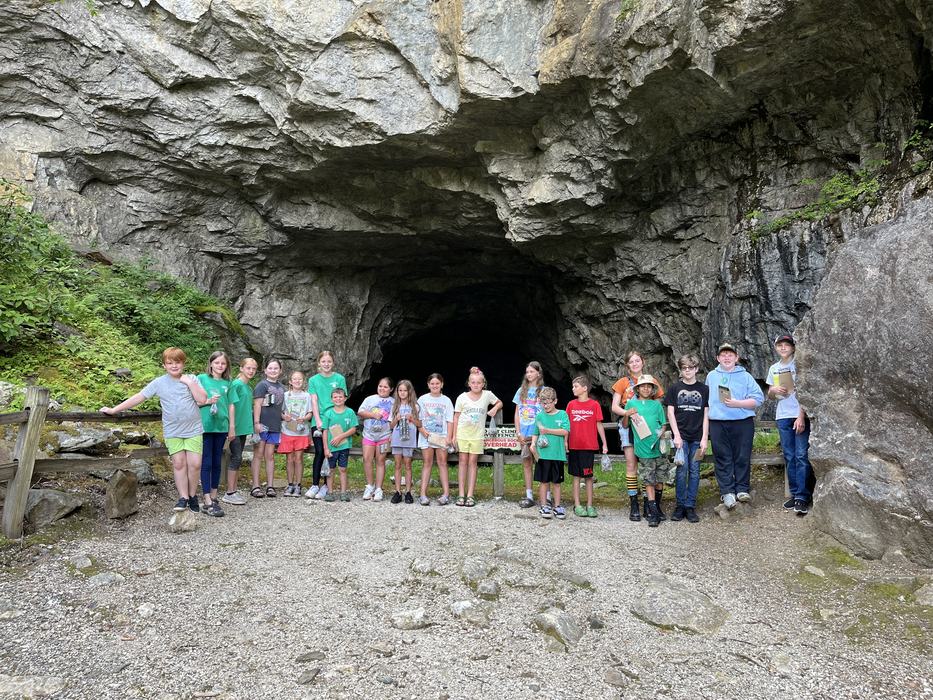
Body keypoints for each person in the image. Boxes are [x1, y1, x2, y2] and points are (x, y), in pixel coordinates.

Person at [101, 347, 207, 513]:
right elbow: (139, 397)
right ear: (164, 365)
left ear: (183, 363)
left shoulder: (191, 379)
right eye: (169, 363)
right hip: (173, 430)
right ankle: (183, 497)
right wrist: (115, 410)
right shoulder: (159, 383)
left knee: (195, 464)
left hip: (193, 429)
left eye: (177, 362)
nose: (174, 366)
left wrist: (189, 383)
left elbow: (202, 398)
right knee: (179, 464)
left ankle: (193, 495)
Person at [706, 343, 764, 509]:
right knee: (722, 456)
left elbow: (758, 399)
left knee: (742, 455)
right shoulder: (711, 376)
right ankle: (727, 491)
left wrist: (738, 403)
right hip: (717, 422)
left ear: (736, 358)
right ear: (718, 358)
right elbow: (707, 401)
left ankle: (742, 489)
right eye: (723, 355)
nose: (726, 357)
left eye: (730, 354)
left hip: (742, 422)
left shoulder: (745, 376)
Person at [610, 350, 665, 521]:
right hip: (628, 425)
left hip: (647, 428)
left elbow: (657, 405)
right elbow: (614, 406)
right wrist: (628, 413)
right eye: (631, 362)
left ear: (643, 362)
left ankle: (650, 504)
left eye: (637, 361)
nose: (635, 364)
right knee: (631, 464)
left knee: (649, 462)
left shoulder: (651, 381)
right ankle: (634, 503)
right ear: (627, 366)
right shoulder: (622, 383)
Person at [767, 334, 814, 516]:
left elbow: (806, 392)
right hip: (782, 415)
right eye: (780, 344)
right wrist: (773, 390)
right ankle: (795, 494)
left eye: (787, 344)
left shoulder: (799, 365)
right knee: (789, 456)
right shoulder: (774, 368)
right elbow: (770, 396)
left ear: (793, 348)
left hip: (798, 415)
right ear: (776, 347)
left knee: (801, 455)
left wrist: (801, 416)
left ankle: (803, 496)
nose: (784, 347)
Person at [664, 354, 709, 523]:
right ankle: (680, 506)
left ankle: (690, 506)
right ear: (681, 370)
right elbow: (670, 412)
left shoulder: (704, 389)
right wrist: (676, 435)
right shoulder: (675, 388)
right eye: (684, 368)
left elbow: (706, 414)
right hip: (680, 438)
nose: (687, 371)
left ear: (696, 369)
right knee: (681, 472)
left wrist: (705, 438)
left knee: (695, 472)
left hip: (697, 437)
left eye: (691, 367)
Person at [621, 375, 670, 526]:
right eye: (643, 386)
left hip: (658, 447)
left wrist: (661, 431)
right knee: (649, 479)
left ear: (652, 389)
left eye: (649, 386)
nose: (646, 388)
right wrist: (626, 414)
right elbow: (625, 425)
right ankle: (653, 512)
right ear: (638, 389)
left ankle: (656, 506)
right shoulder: (631, 403)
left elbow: (663, 424)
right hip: (643, 448)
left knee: (660, 478)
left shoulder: (657, 406)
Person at [452, 367, 502, 507]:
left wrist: (495, 408)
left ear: (483, 384)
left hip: (477, 435)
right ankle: (461, 494)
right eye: (473, 382)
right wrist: (454, 436)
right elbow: (456, 417)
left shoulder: (487, 395)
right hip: (463, 433)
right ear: (469, 383)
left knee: (473, 463)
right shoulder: (462, 397)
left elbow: (500, 402)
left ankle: (470, 495)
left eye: (479, 382)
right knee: (462, 462)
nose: (476, 385)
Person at [307, 351, 348, 499]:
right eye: (323, 361)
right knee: (319, 451)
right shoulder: (313, 380)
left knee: (329, 452)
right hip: (318, 419)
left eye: (329, 361)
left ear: (333, 363)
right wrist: (318, 420)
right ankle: (315, 484)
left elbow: (342, 398)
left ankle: (326, 486)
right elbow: (314, 400)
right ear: (319, 363)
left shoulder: (339, 378)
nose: (326, 364)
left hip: (335, 421)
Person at [197, 351, 232, 517]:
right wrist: (207, 402)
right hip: (205, 426)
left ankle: (214, 495)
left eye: (223, 363)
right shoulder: (202, 379)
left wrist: (232, 426)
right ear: (211, 363)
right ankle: (206, 500)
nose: (220, 366)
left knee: (218, 461)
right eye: (217, 363)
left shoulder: (228, 382)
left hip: (221, 426)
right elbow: (192, 400)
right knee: (207, 462)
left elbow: (231, 405)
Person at [566, 375, 607, 518]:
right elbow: (567, 425)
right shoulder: (571, 405)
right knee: (576, 476)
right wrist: (565, 441)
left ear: (584, 388)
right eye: (572, 386)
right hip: (574, 446)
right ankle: (577, 505)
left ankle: (590, 505)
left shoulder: (594, 405)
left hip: (589, 446)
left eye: (575, 386)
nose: (573, 389)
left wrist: (605, 443)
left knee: (588, 476)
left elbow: (599, 424)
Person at [222, 357, 258, 506]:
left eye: (254, 369)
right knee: (236, 458)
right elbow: (230, 405)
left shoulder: (248, 387)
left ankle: (233, 490)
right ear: (241, 368)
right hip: (234, 428)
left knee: (238, 457)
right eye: (248, 368)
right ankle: (229, 492)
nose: (251, 371)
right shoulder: (236, 384)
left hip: (243, 428)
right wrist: (231, 427)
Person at [531, 386, 570, 519]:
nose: (546, 405)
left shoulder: (562, 414)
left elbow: (565, 431)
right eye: (543, 403)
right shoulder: (540, 416)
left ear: (555, 401)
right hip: (543, 455)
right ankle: (544, 506)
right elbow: (536, 432)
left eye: (548, 402)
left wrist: (548, 430)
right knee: (543, 481)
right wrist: (532, 444)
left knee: (557, 482)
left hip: (558, 454)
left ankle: (557, 506)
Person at [416, 374, 454, 506]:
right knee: (427, 462)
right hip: (426, 435)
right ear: (428, 385)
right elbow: (418, 418)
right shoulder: (422, 399)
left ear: (442, 384)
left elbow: (450, 420)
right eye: (432, 383)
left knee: (442, 463)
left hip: (441, 436)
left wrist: (449, 436)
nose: (435, 386)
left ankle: (446, 494)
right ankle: (422, 495)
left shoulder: (446, 401)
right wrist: (422, 431)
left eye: (437, 383)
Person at [251, 359, 286, 498]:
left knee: (270, 456)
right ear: (265, 370)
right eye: (270, 368)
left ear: (280, 371)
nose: (273, 370)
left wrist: (284, 416)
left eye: (276, 368)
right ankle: (255, 486)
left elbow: (279, 408)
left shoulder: (282, 388)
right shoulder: (262, 385)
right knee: (258, 454)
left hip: (275, 425)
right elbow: (257, 405)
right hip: (262, 424)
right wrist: (257, 423)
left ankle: (270, 485)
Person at [358, 377, 395, 502]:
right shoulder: (370, 399)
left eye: (385, 387)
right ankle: (370, 486)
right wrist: (373, 415)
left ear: (391, 389)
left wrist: (392, 434)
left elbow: (394, 421)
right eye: (380, 386)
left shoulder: (393, 402)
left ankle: (379, 488)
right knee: (367, 459)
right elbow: (360, 412)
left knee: (380, 461)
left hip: (384, 436)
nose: (382, 389)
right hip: (369, 434)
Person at [513, 361, 544, 508]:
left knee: (543, 463)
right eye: (527, 372)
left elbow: (547, 412)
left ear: (538, 373)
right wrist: (518, 432)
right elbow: (517, 413)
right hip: (524, 433)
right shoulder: (521, 391)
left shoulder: (544, 390)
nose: (529, 374)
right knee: (526, 463)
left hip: (538, 433)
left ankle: (546, 496)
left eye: (532, 371)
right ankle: (529, 495)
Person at [320, 387, 358, 502]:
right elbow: (325, 431)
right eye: (335, 397)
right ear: (331, 399)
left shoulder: (350, 412)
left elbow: (353, 429)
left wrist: (340, 436)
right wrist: (326, 448)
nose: (338, 399)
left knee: (343, 469)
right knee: (330, 470)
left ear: (345, 398)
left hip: (344, 446)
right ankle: (330, 492)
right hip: (331, 448)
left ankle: (343, 493)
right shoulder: (328, 413)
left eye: (340, 397)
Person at [279, 370, 313, 497]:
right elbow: (280, 412)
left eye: (300, 379)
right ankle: (290, 484)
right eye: (295, 379)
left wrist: (304, 419)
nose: (297, 381)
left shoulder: (307, 396)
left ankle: (298, 485)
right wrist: (284, 417)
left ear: (303, 381)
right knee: (289, 459)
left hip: (301, 431)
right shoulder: (285, 395)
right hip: (287, 430)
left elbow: (310, 413)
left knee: (298, 459)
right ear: (290, 381)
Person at [389, 380, 421, 504]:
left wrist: (412, 418)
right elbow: (390, 426)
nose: (402, 393)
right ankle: (397, 491)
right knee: (397, 465)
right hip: (397, 439)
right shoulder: (395, 406)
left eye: (405, 390)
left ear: (409, 392)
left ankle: (408, 491)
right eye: (400, 390)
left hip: (409, 439)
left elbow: (419, 424)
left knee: (408, 465)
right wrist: (396, 419)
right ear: (397, 392)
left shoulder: (415, 406)